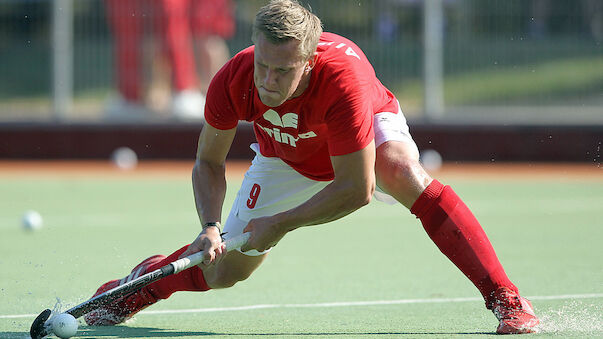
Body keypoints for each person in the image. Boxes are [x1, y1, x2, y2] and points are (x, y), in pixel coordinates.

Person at [85, 0, 539, 334]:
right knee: (225, 272)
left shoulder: (343, 82)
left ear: (309, 60)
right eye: (262, 64)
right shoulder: (234, 77)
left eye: (282, 71)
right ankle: (135, 287)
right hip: (284, 155)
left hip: (356, 140)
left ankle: (507, 300)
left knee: (400, 170)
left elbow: (356, 189)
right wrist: (208, 224)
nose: (267, 80)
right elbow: (208, 160)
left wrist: (279, 224)